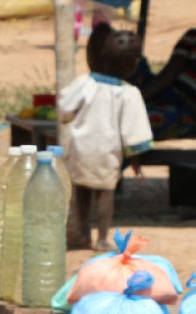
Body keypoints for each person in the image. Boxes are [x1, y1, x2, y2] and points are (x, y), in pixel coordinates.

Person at [60, 27, 154, 250]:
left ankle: (83, 234)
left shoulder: (86, 83)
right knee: (104, 192)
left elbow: (65, 108)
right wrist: (135, 160)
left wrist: (68, 118)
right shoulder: (128, 93)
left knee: (81, 189)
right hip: (107, 152)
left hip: (81, 148)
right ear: (134, 65)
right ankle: (101, 238)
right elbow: (135, 130)